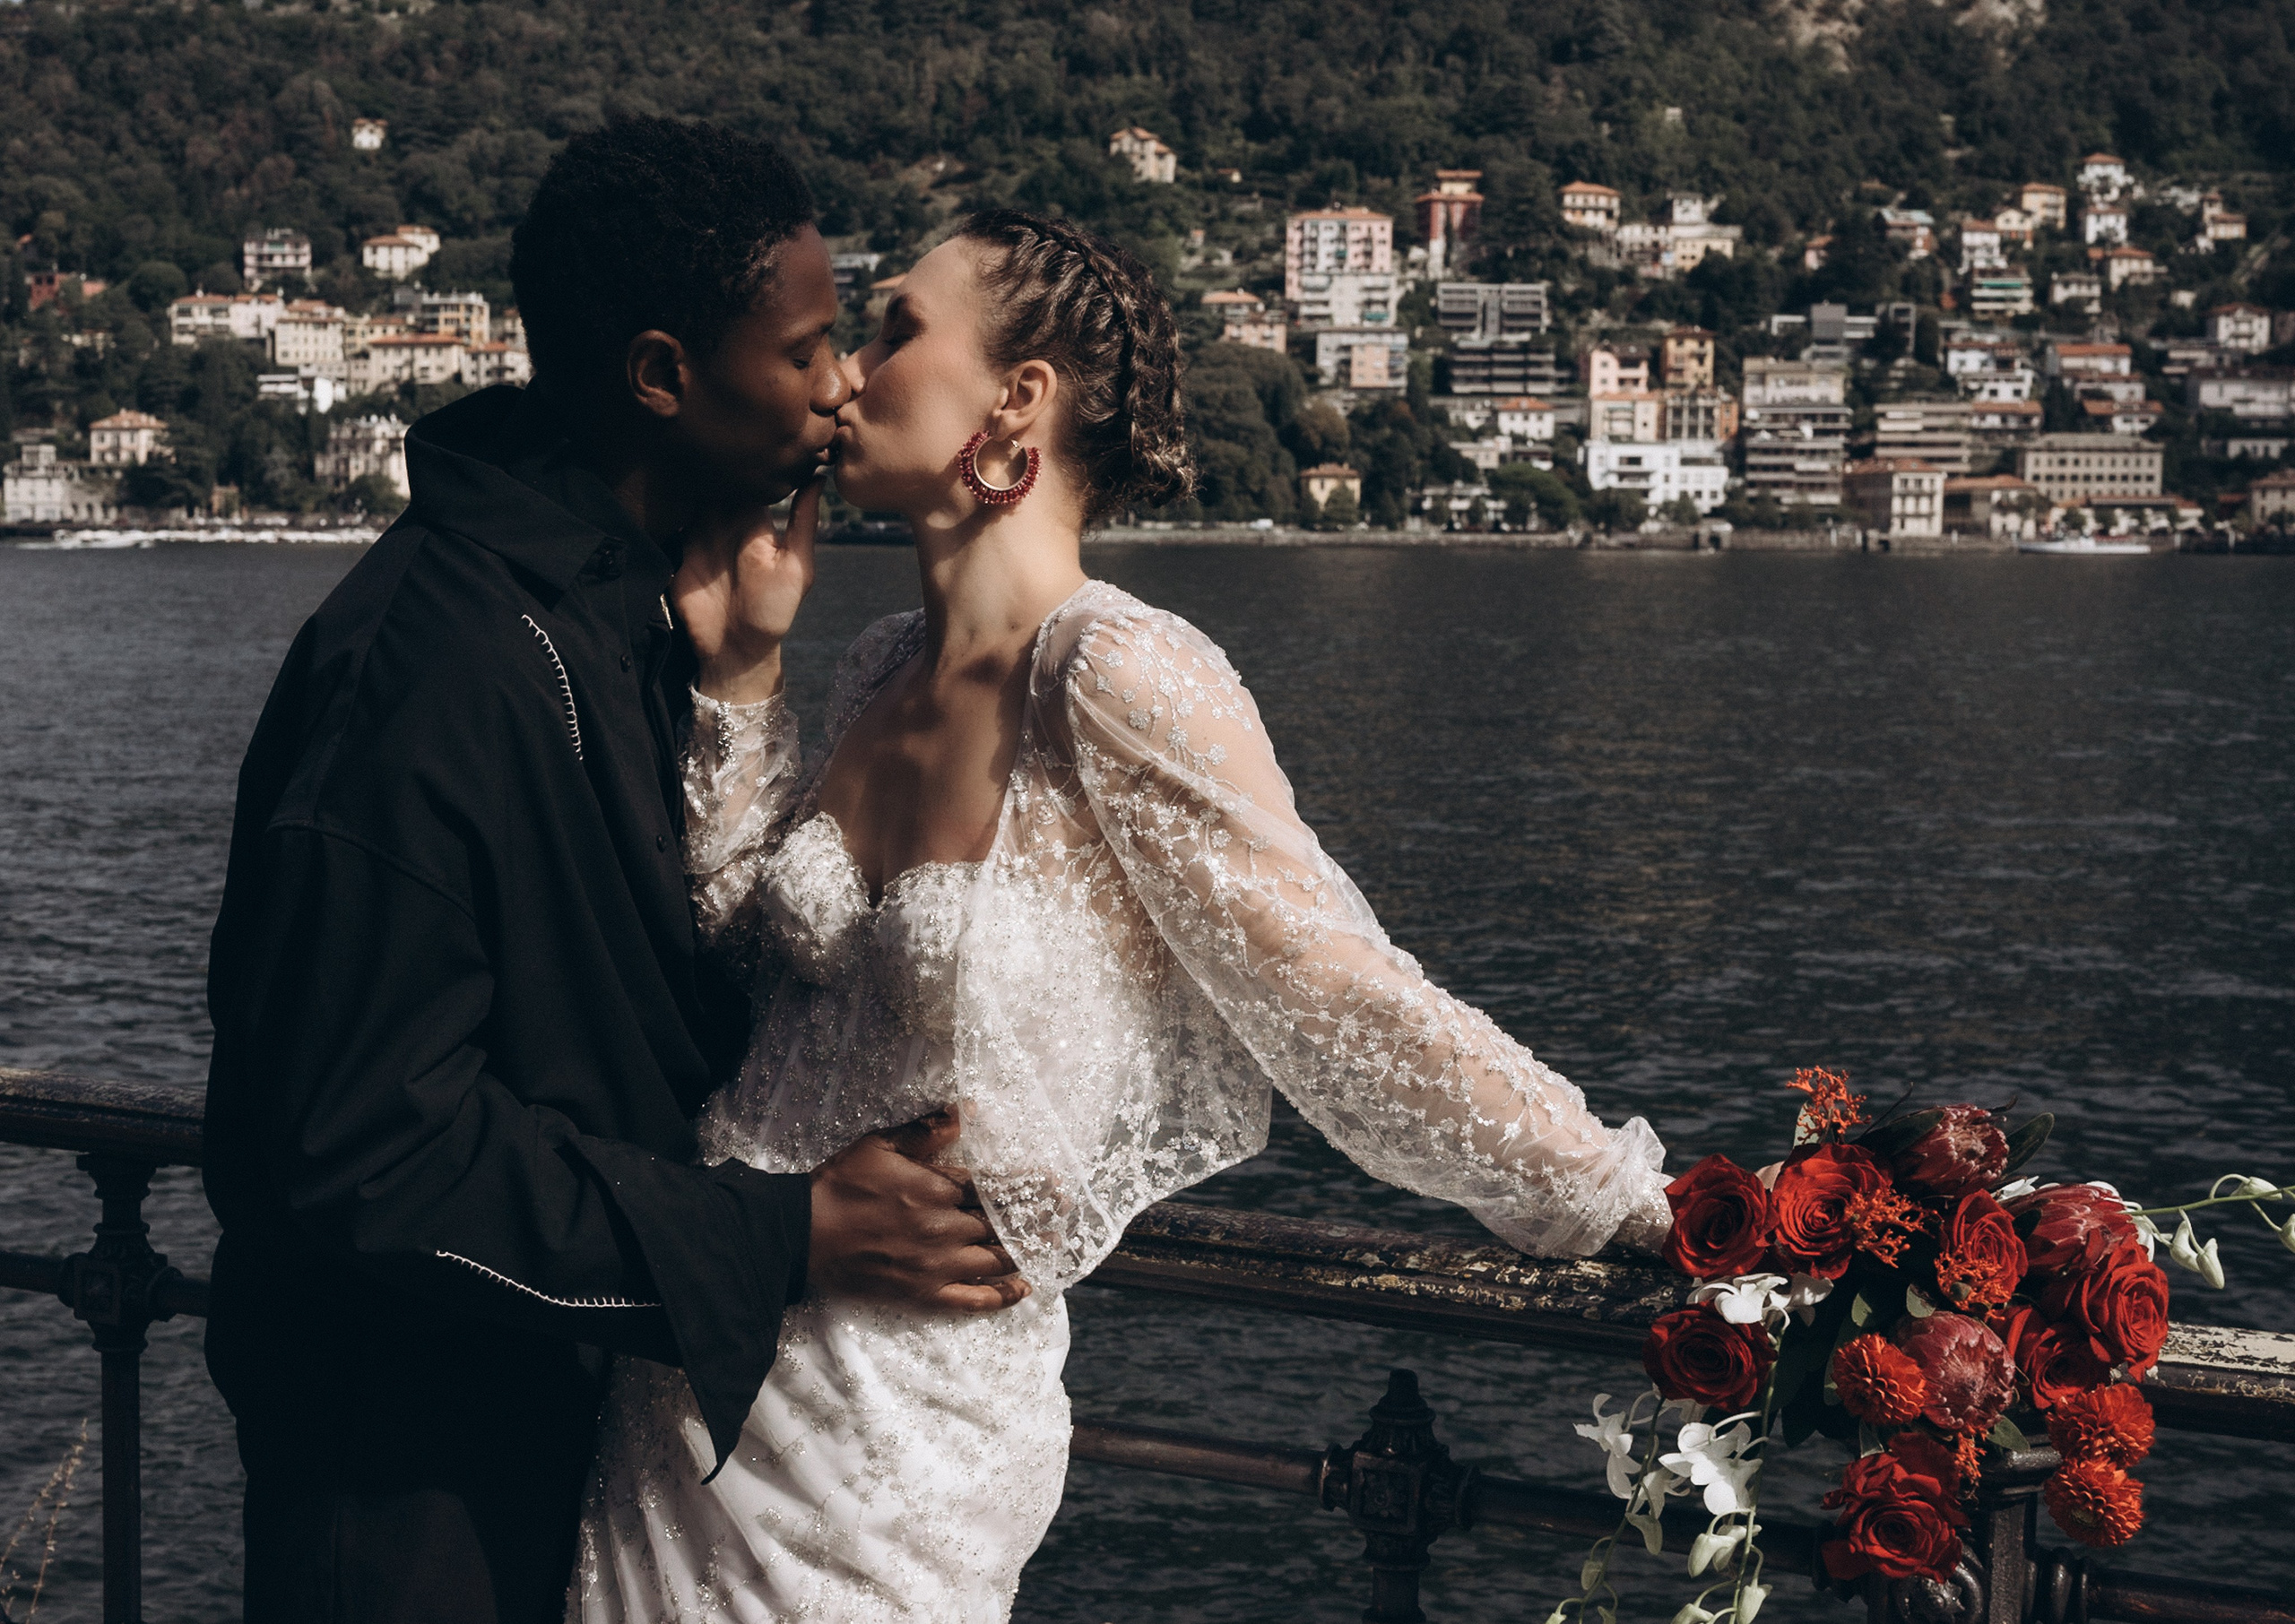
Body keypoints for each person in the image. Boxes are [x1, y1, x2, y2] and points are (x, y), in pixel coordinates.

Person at [571, 209, 1674, 1621]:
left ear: (1016, 398)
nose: (842, 374)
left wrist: (1639, 1205)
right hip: (695, 1376)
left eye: (896, 330)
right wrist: (741, 679)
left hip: (901, 1442)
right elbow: (742, 964)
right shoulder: (877, 664)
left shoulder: (1118, 671)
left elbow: (1340, 999)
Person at [200, 118, 1024, 1624]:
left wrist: (744, 674)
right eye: (805, 350)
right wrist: (781, 1234)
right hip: (410, 1479)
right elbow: (362, 1147)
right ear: (660, 375)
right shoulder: (425, 672)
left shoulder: (627, 619)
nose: (843, 385)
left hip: (575, 1436)